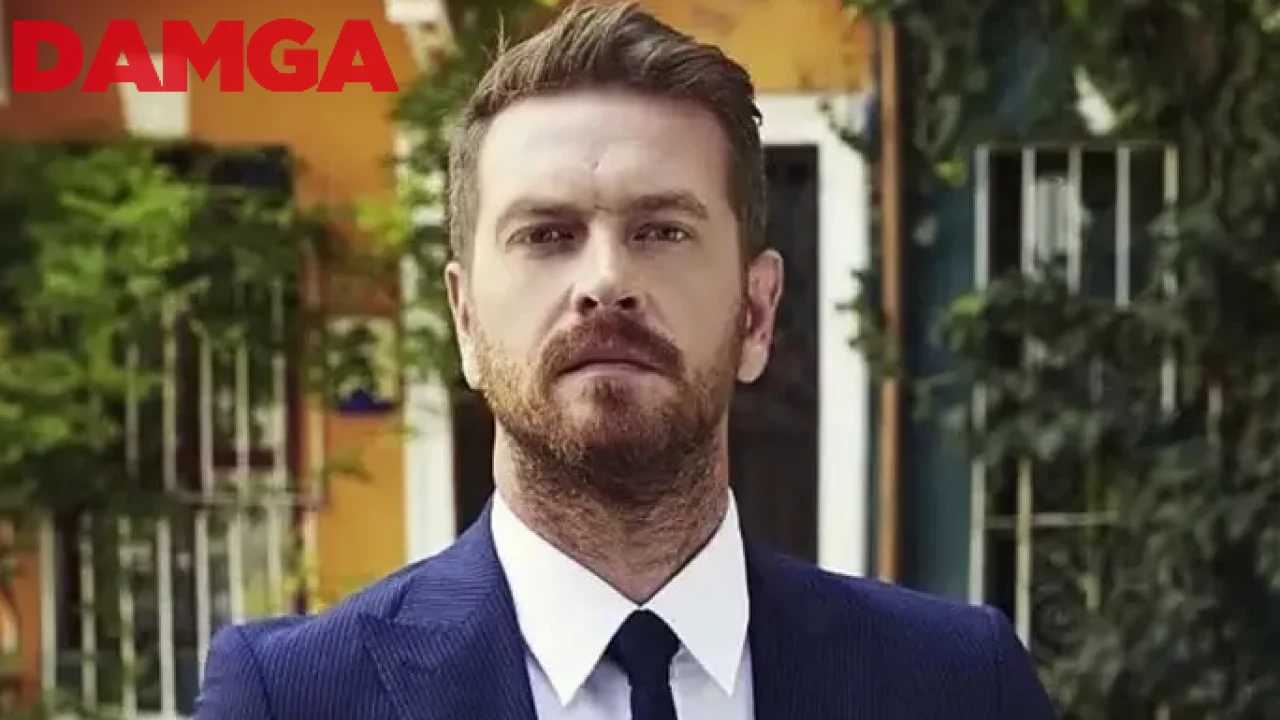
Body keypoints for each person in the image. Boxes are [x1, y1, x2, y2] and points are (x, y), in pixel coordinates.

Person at [194, 2, 1060, 718]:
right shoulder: (291, 700)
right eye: (547, 235)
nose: (606, 281)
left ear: (757, 312)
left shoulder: (959, 684)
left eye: (662, 230)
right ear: (464, 318)